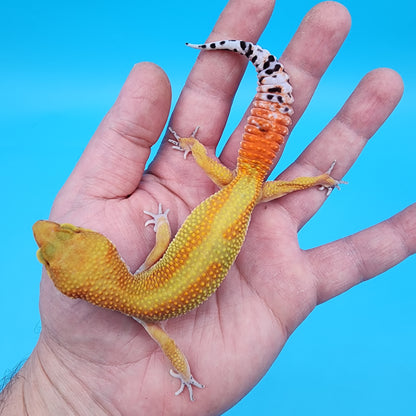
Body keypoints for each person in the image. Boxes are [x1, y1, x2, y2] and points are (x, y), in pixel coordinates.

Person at [1, 0, 414, 414]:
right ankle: (288, 149)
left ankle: (292, 138)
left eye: (63, 236)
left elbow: (170, 347)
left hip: (242, 189)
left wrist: (180, 374)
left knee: (265, 184)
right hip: (240, 189)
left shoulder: (147, 317)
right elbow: (160, 243)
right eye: (57, 248)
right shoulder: (139, 275)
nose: (48, 230)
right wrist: (189, 166)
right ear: (91, 273)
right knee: (263, 182)